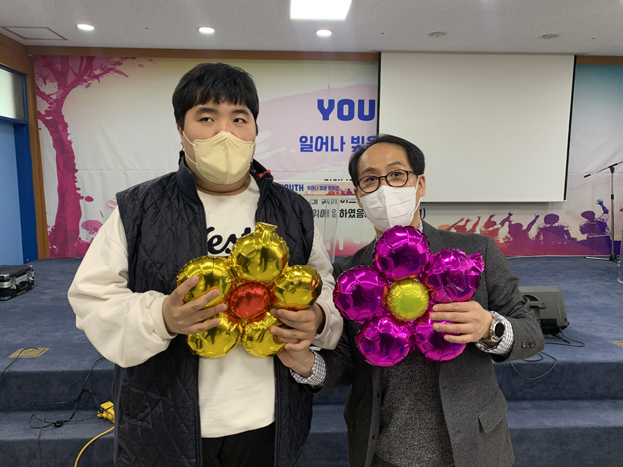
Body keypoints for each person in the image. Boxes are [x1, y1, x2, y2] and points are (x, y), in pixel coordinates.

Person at [68, 63, 342, 467]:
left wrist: (317, 317)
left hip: (270, 421)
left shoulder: (293, 210)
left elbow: (325, 286)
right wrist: (161, 317)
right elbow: (92, 299)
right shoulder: (138, 208)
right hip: (166, 421)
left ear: (255, 130)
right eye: (207, 118)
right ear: (181, 130)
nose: (224, 133)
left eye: (239, 119)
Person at [279, 134, 545, 467]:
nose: (384, 189)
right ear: (358, 196)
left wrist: (489, 327)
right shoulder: (349, 275)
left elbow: (531, 333)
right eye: (370, 180)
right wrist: (307, 365)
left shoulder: (474, 252)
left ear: (420, 184)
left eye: (396, 175)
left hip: (473, 447)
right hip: (383, 450)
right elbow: (348, 362)